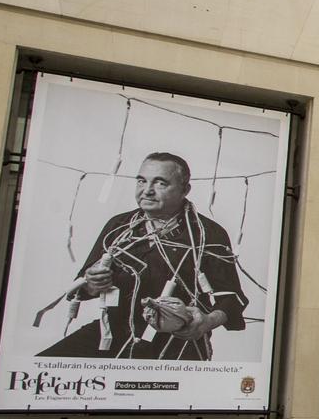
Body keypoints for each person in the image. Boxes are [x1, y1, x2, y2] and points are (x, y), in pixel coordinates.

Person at [41, 152, 247, 360]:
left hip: (178, 341)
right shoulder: (118, 227)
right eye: (141, 181)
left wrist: (206, 322)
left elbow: (231, 298)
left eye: (160, 183)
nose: (147, 191)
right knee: (46, 365)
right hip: (112, 334)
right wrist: (93, 283)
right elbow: (84, 286)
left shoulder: (207, 234)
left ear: (185, 190)